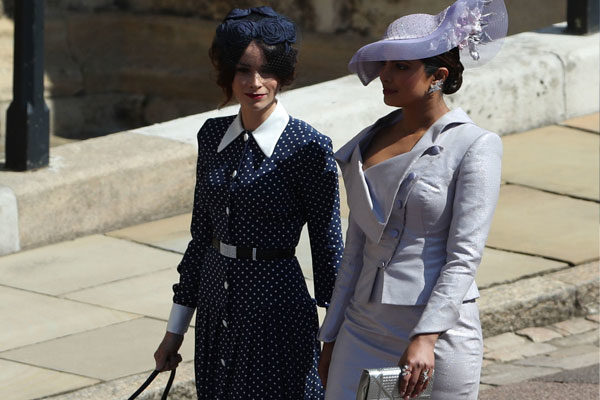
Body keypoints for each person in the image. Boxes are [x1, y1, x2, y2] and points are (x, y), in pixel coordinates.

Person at [316, 0, 508, 399]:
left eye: (401, 66)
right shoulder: (367, 141)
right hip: (361, 328)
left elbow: (464, 255)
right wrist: (331, 336)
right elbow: (354, 251)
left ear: (437, 75)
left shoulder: (475, 146)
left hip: (438, 333)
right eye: (385, 63)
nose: (384, 74)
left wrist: (426, 336)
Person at [152, 7, 343, 399]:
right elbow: (200, 237)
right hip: (214, 310)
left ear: (283, 74)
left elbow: (328, 248)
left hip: (276, 313)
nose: (255, 82)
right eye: (242, 70)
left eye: (267, 70)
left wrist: (334, 342)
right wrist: (175, 330)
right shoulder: (211, 135)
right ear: (226, 73)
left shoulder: (308, 147)